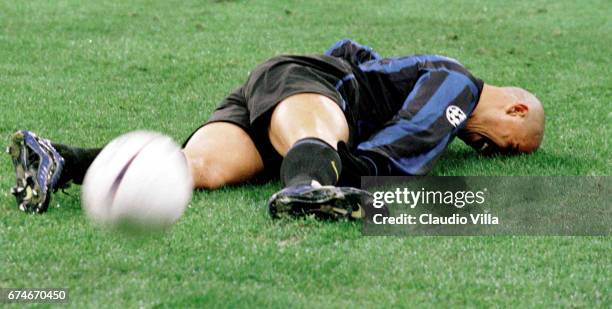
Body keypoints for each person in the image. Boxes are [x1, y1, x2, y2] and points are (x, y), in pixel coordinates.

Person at [7, 39, 545, 218]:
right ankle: (306, 188)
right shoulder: (460, 84)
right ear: (516, 112)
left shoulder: (423, 72)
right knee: (323, 134)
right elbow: (417, 131)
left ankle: (60, 158)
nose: (489, 152)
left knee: (200, 169)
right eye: (506, 148)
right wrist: (359, 174)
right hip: (307, 84)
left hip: (277, 90)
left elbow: (356, 54)